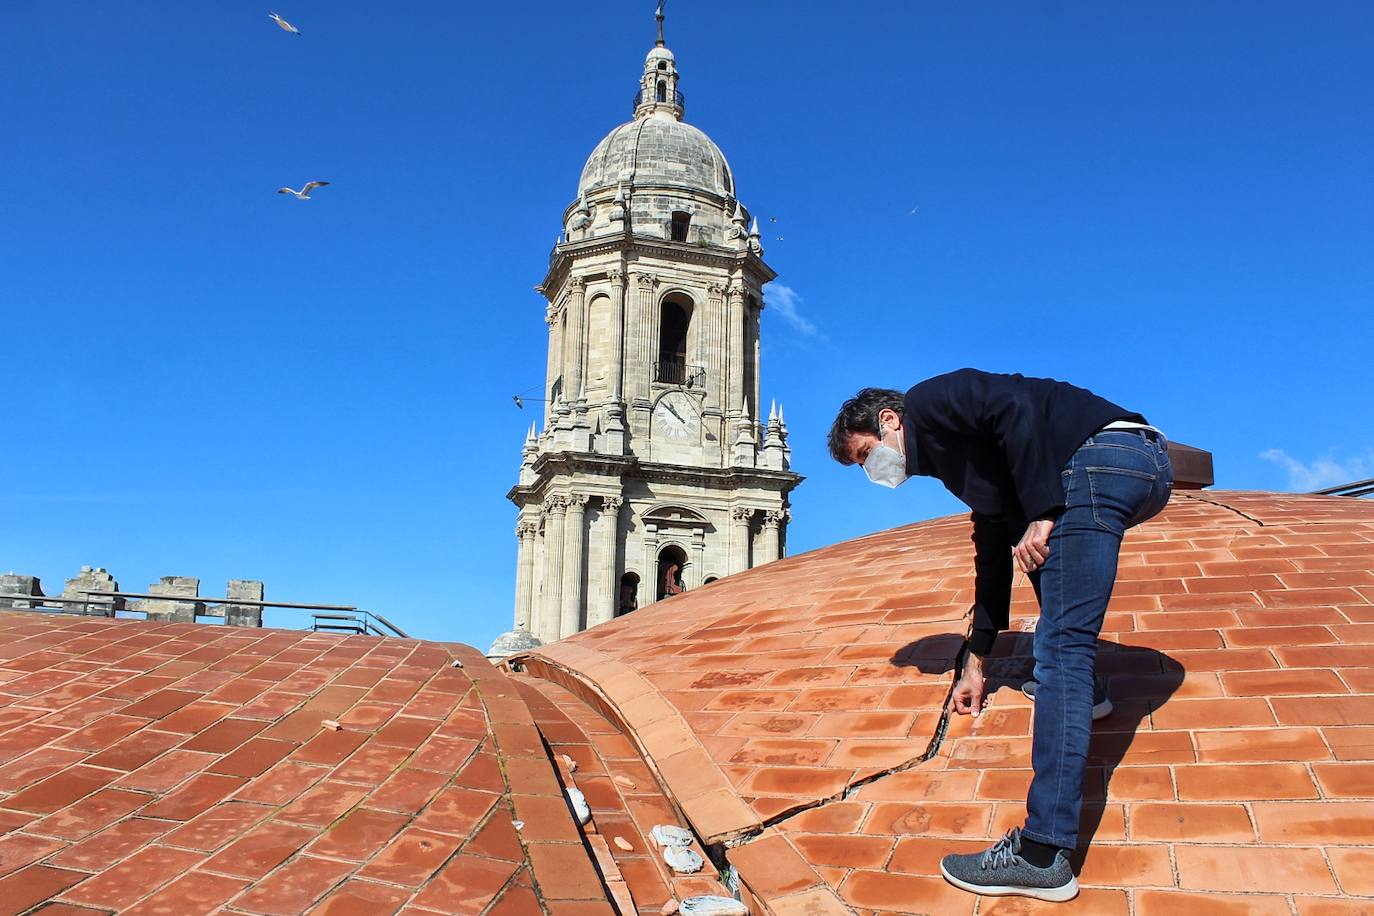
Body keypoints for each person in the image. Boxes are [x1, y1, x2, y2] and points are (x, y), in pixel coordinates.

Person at [827, 368, 1172, 903]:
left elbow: (1012, 405)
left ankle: (1041, 855)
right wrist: (976, 660)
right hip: (1124, 466)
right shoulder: (958, 465)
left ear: (890, 421)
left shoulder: (931, 402)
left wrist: (1044, 510)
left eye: (865, 454)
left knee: (1060, 649)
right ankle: (1090, 696)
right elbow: (991, 547)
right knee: (1032, 560)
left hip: (1105, 457)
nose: (871, 470)